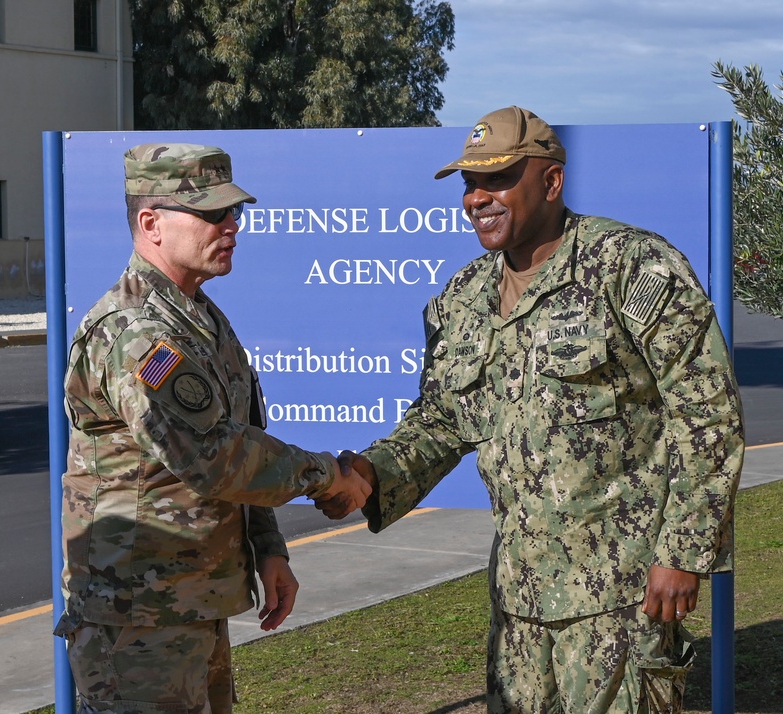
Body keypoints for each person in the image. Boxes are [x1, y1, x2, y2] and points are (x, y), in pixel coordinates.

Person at [324, 106, 745, 713]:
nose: (476, 199)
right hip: (519, 598)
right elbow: (442, 419)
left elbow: (707, 415)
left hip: (620, 596)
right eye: (469, 184)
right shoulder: (462, 299)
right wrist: (370, 475)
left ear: (551, 183)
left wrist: (682, 552)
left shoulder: (629, 267)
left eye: (496, 180)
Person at [54, 142, 371, 714]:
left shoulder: (198, 317)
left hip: (191, 604)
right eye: (210, 214)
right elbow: (213, 457)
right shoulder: (135, 333)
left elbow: (244, 436)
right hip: (136, 620)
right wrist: (329, 476)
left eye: (234, 213)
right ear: (150, 223)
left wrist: (268, 547)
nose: (230, 226)